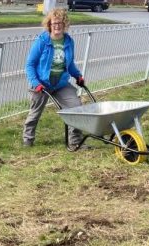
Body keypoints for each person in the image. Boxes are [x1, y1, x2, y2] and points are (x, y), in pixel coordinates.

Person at [24, 8, 88, 150]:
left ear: (64, 24)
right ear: (49, 25)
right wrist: (36, 83)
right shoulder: (42, 41)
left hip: (60, 84)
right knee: (35, 113)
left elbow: (69, 64)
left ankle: (75, 142)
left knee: (76, 107)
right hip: (41, 84)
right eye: (54, 23)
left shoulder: (69, 42)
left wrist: (78, 76)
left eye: (60, 23)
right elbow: (30, 65)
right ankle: (27, 140)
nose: (57, 26)